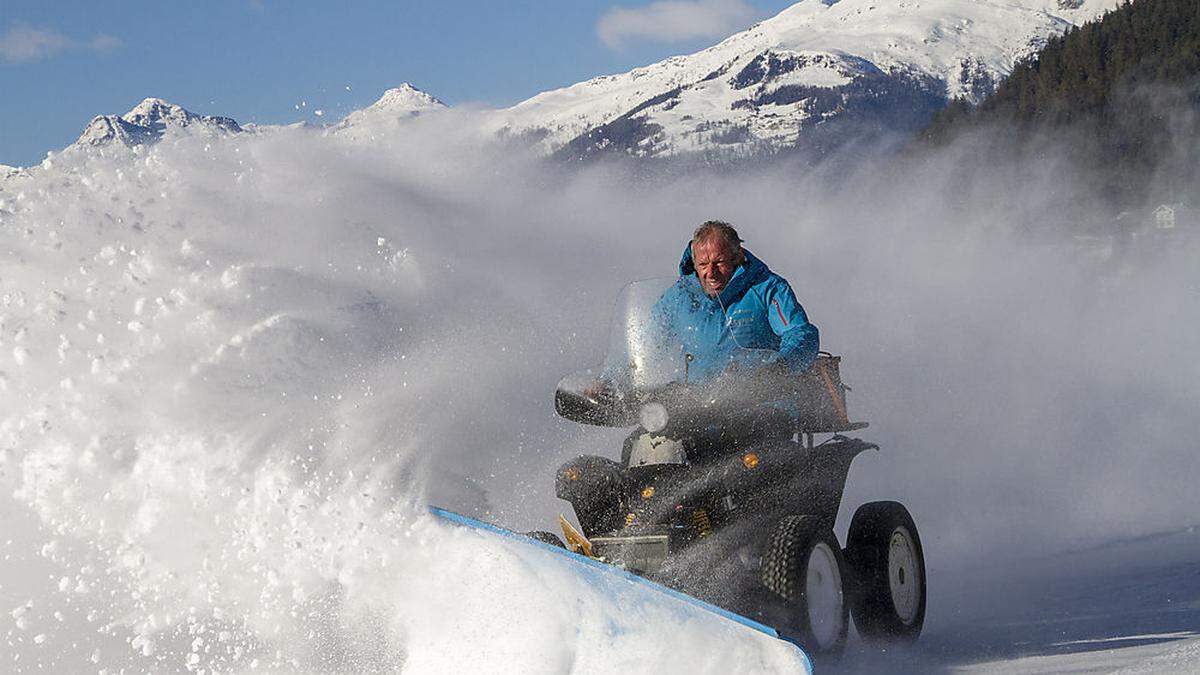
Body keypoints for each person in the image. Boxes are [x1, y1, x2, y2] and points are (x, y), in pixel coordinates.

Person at [658, 220, 819, 382]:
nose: (711, 273)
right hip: (696, 401)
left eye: (719, 262)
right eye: (703, 264)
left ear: (737, 258)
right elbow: (648, 338)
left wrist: (781, 367)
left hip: (761, 399)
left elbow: (798, 332)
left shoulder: (767, 288)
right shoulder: (679, 296)